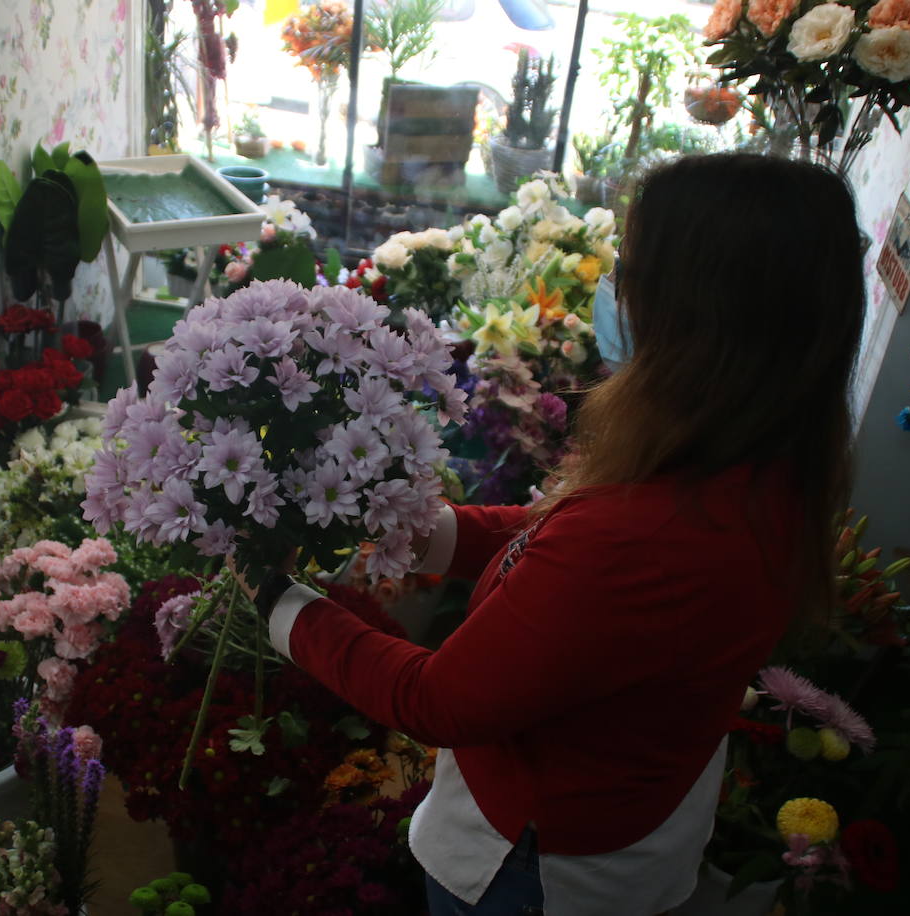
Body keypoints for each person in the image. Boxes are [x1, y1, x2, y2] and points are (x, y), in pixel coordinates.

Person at [251, 153, 865, 915]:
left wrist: (276, 601)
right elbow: (557, 541)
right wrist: (409, 526)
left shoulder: (646, 538)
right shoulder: (762, 465)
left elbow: (436, 697)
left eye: (632, 268)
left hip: (536, 867)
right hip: (635, 810)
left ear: (695, 315)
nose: (614, 287)